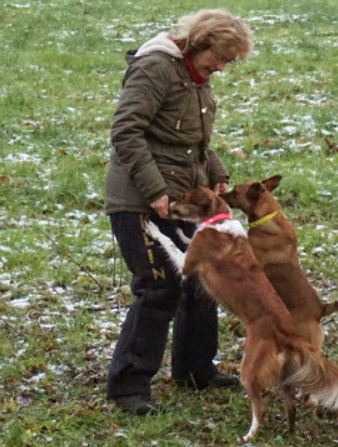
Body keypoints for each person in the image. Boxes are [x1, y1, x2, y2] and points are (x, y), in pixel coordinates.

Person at [103, 9, 252, 415]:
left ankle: (194, 370)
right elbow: (125, 132)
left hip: (181, 199)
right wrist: (153, 191)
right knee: (158, 287)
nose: (220, 67)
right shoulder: (155, 68)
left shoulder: (195, 79)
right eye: (217, 57)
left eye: (228, 61)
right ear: (197, 42)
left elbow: (192, 142)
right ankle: (128, 386)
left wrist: (216, 173)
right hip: (139, 200)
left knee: (201, 281)